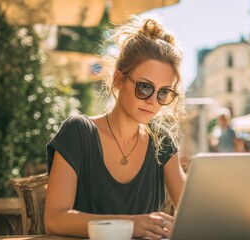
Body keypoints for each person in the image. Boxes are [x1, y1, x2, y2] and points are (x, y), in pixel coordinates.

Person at [44, 16, 186, 239]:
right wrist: (131, 225)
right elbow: (55, 220)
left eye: (163, 92)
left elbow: (193, 215)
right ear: (119, 79)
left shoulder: (162, 141)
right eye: (144, 87)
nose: (153, 101)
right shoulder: (79, 132)